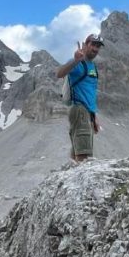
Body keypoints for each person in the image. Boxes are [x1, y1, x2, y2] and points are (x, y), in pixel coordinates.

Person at [56, 34, 104, 162]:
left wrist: (94, 116)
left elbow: (90, 92)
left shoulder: (92, 66)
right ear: (86, 44)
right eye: (93, 44)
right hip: (79, 110)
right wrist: (75, 60)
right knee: (84, 156)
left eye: (98, 46)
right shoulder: (78, 63)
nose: (95, 49)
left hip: (87, 113)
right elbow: (59, 73)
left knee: (78, 154)